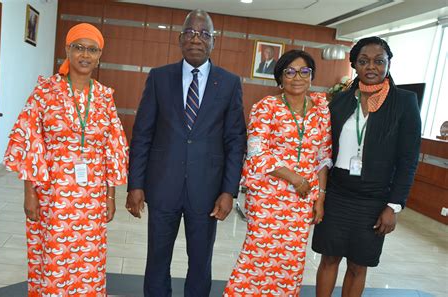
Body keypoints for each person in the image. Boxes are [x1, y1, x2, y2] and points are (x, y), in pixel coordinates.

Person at [126, 9, 246, 297]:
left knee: (201, 263)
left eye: (204, 33)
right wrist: (135, 184)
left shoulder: (229, 83)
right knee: (157, 260)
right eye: (191, 32)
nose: (197, 38)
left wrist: (229, 191)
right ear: (179, 39)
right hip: (162, 186)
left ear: (214, 42)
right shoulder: (158, 78)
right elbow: (142, 135)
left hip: (207, 192)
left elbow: (235, 141)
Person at [3, 23, 129, 296]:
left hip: (92, 196)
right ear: (67, 50)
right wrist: (29, 193)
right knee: (54, 255)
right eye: (79, 47)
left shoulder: (106, 97)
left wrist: (110, 197)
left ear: (99, 55)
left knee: (89, 258)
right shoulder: (45, 92)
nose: (85, 55)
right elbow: (29, 141)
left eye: (92, 49)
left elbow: (113, 148)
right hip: (53, 194)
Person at [311, 36, 421, 297]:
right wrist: (320, 195)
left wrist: (393, 206)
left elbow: (408, 160)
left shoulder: (404, 102)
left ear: (388, 64)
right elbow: (323, 150)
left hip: (374, 199)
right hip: (337, 194)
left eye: (379, 61)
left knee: (359, 264)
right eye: (364, 61)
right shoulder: (339, 102)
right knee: (329, 258)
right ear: (355, 65)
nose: (371, 67)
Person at [224, 50, 332, 296]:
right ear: (280, 77)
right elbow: (256, 151)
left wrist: (320, 197)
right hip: (268, 195)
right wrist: (295, 178)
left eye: (304, 71)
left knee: (291, 262)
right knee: (258, 254)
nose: (297, 77)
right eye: (290, 71)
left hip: (303, 199)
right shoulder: (266, 106)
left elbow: (323, 156)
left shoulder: (321, 110)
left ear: (312, 76)